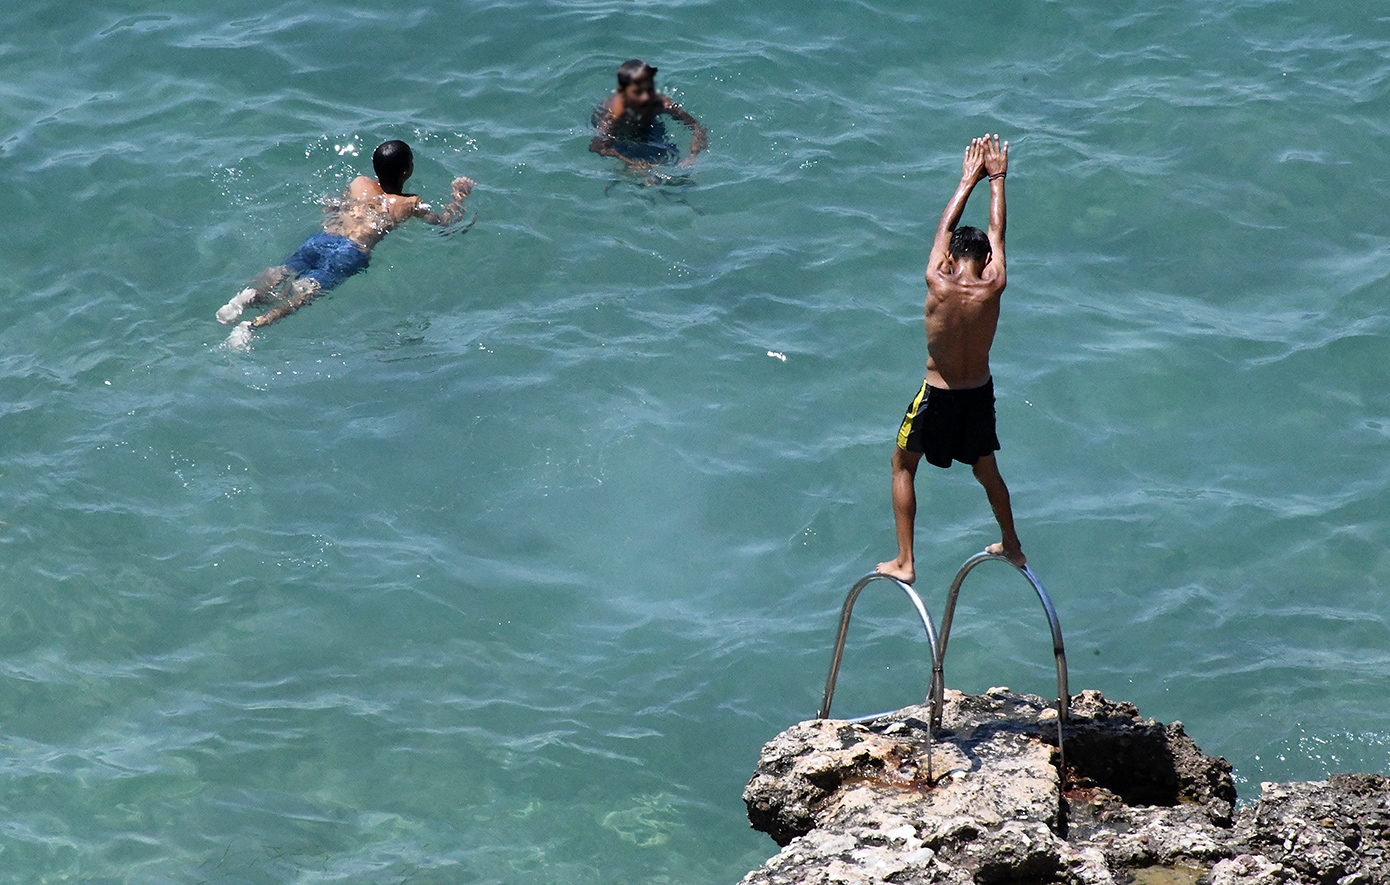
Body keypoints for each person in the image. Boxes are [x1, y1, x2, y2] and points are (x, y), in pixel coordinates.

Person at [876, 134, 1023, 584]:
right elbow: (997, 233)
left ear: (952, 257)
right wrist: (998, 178)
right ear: (985, 259)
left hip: (936, 397)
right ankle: (1013, 545)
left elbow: (944, 231)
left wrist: (967, 179)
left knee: (904, 465)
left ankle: (906, 561)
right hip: (977, 397)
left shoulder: (936, 280)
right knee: (987, 471)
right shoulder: (994, 284)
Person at [217, 140, 473, 338]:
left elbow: (333, 206)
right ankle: (251, 327)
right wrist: (459, 195)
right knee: (303, 294)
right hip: (351, 252)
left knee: (283, 271)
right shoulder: (409, 203)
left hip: (322, 238)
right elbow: (445, 223)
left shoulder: (359, 183)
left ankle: (246, 297)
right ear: (407, 171)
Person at [589, 59, 706, 171]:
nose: (645, 97)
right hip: (621, 134)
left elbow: (695, 125)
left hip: (649, 127)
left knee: (668, 159)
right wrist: (631, 163)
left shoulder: (661, 103)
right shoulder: (615, 113)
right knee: (640, 173)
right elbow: (598, 147)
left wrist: (693, 154)